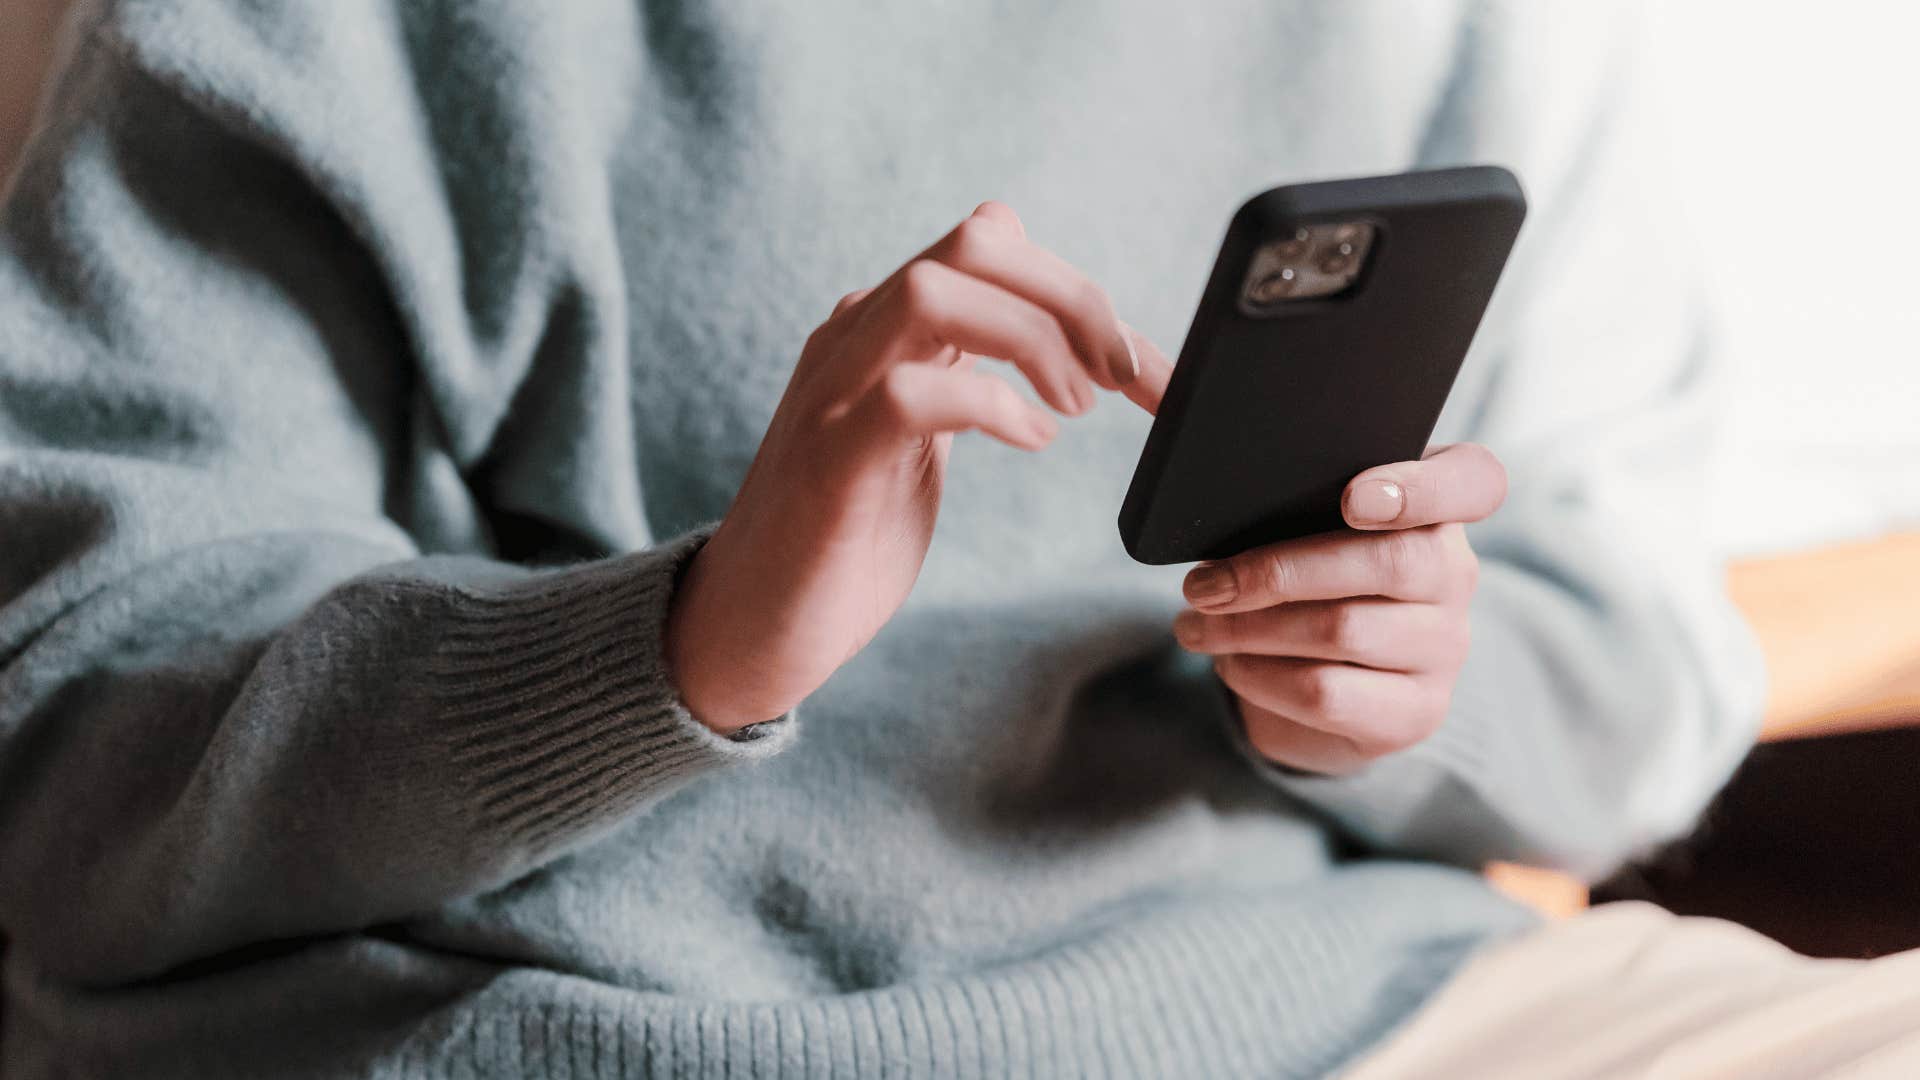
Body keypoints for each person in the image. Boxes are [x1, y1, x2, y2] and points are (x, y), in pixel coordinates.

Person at [10, 1, 1895, 1077]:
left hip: (1321, 1002)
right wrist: (680, 645)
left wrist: (1402, 688)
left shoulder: (1466, 27)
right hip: (564, 1027)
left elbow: (1642, 677)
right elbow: (70, 751)